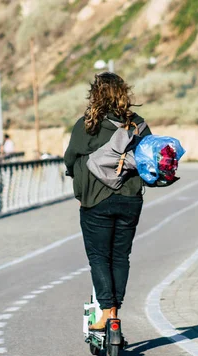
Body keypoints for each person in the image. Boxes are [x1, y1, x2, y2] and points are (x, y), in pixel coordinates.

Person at [64, 72, 151, 331]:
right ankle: (115, 310)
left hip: (95, 199)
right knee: (120, 256)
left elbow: (70, 159)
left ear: (96, 94)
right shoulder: (138, 124)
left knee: (100, 256)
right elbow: (148, 157)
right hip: (130, 197)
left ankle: (107, 313)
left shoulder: (87, 125)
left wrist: (76, 176)